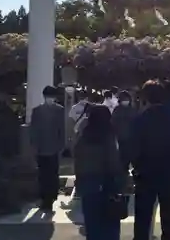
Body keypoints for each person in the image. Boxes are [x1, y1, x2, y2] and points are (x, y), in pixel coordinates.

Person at [129, 80, 170, 240]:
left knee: (143, 216)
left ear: (145, 98)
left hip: (144, 174)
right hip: (169, 172)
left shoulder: (139, 120)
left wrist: (136, 166)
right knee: (168, 214)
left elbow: (131, 147)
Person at [74, 104, 125, 240]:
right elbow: (113, 162)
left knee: (92, 224)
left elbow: (78, 162)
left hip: (88, 185)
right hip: (108, 185)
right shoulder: (110, 136)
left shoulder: (83, 137)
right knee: (110, 224)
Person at [29, 85, 66, 212]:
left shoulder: (57, 110)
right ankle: (47, 198)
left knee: (49, 174)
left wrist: (61, 145)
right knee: (46, 174)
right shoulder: (39, 111)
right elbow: (33, 130)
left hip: (50, 148)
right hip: (45, 148)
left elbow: (62, 129)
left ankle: (49, 198)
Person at [111, 90, 137, 173]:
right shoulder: (119, 110)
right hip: (122, 139)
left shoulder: (131, 110)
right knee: (123, 160)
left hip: (129, 139)